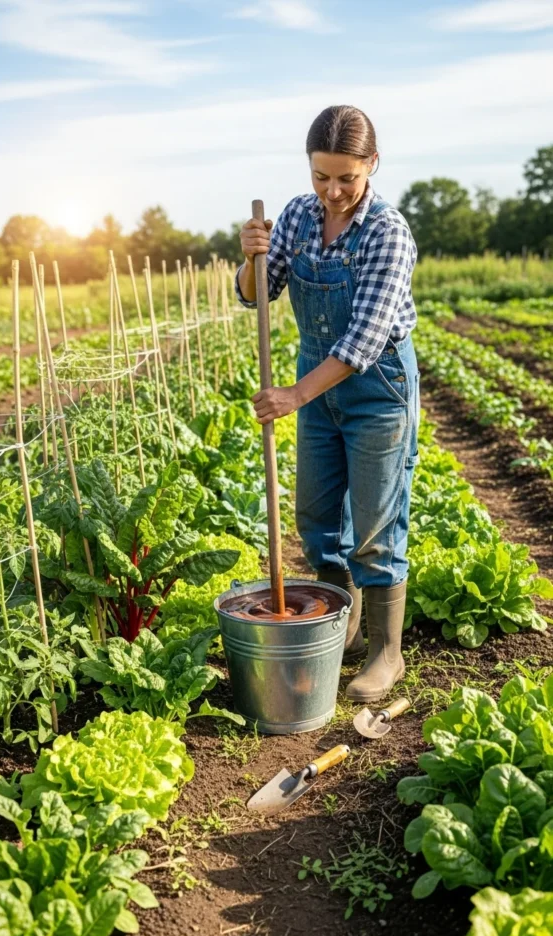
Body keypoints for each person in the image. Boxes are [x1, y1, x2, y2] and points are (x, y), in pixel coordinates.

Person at [235, 104, 419, 703]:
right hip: (316, 387)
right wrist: (251, 258)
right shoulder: (296, 214)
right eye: (322, 176)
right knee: (317, 520)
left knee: (374, 526)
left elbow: (363, 340)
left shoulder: (388, 232)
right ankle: (340, 626)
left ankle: (384, 652)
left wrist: (293, 395)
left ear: (372, 165)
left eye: (347, 177)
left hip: (374, 389)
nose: (334, 191)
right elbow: (256, 295)